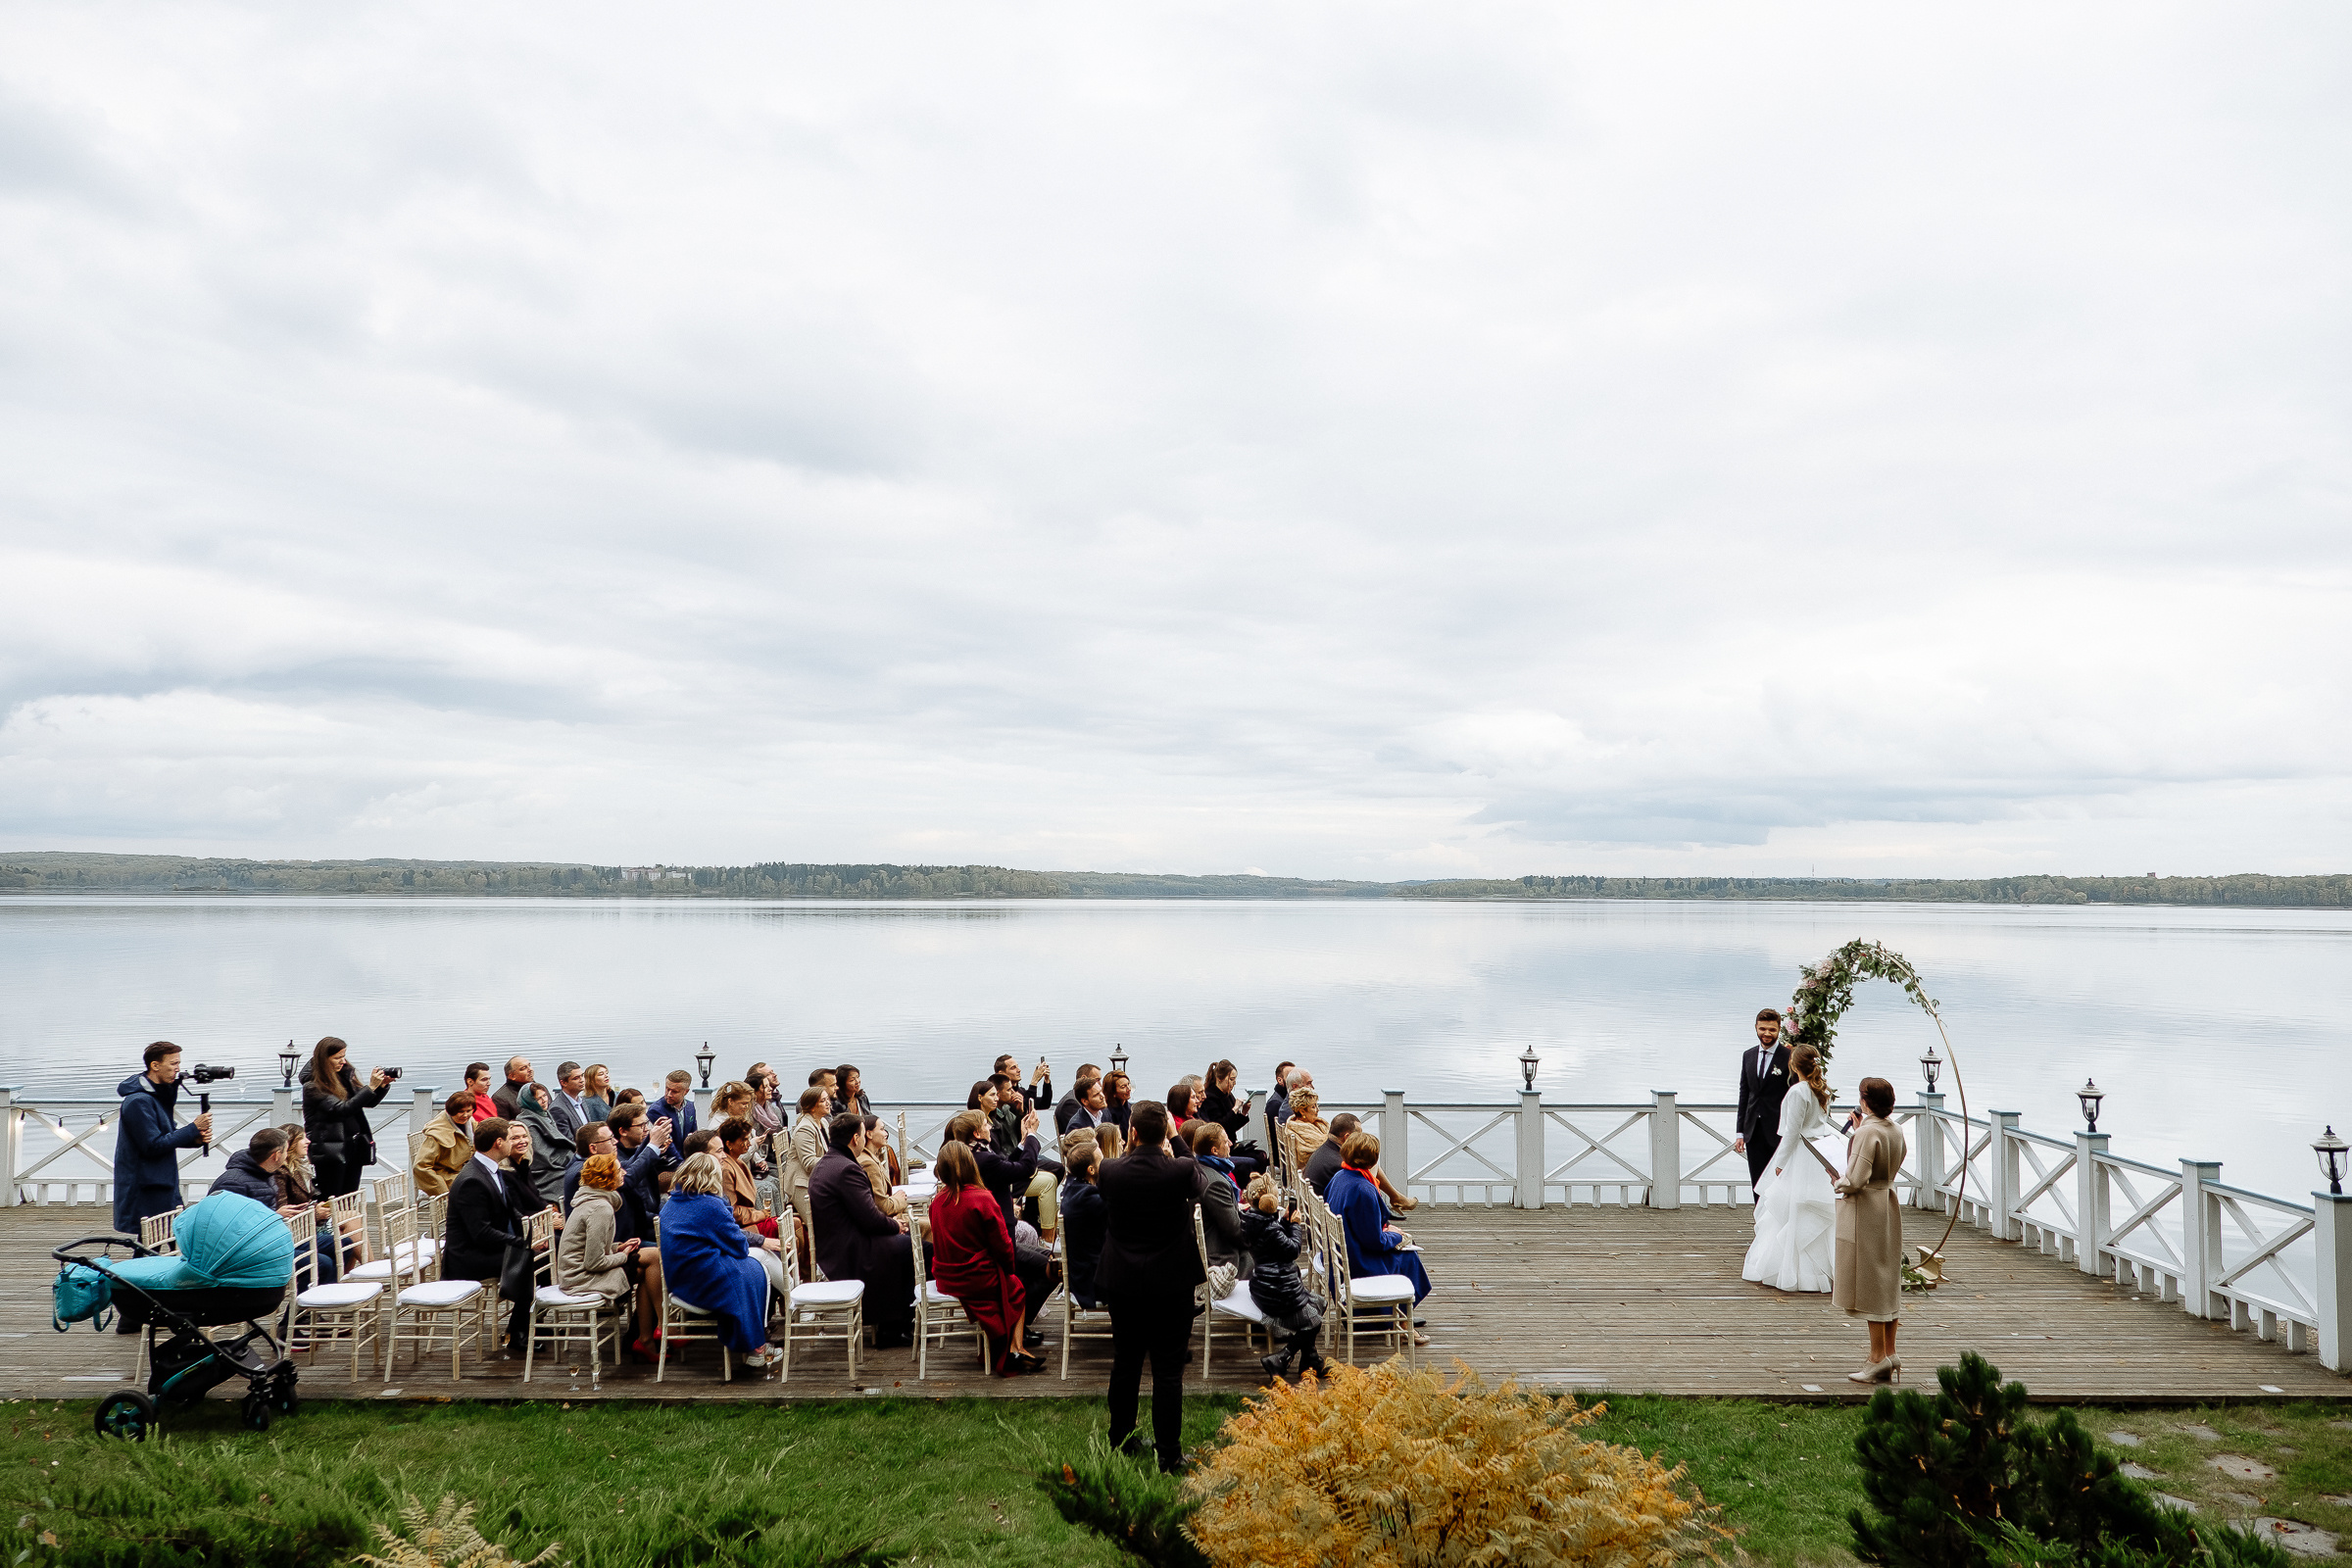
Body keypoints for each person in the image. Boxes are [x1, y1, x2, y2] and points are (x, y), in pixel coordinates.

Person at [1097, 1102, 1207, 1473]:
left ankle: (1121, 1440)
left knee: (1125, 1362)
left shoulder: (1110, 1171)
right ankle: (1169, 1454)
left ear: (1132, 1132)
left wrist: (1134, 1144)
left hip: (1124, 1282)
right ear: (1166, 1134)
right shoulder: (1180, 1169)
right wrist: (1177, 1141)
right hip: (1171, 1282)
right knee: (1168, 1371)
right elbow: (1201, 1182)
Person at [925, 1141, 1044, 1375]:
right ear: (970, 1165)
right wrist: (1008, 1269)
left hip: (946, 1276)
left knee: (1011, 1285)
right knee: (1017, 1289)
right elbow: (1002, 1245)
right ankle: (1013, 1349)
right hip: (976, 1276)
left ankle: (1015, 1349)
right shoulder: (982, 1198)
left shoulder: (937, 1201)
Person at [658, 1152, 783, 1370]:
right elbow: (737, 1245)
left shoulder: (671, 1204)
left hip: (680, 1278)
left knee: (755, 1265)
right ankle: (757, 1345)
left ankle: (764, 1334)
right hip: (704, 1280)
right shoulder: (710, 1206)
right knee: (757, 1269)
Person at [808, 1113, 916, 1347]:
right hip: (850, 1250)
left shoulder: (828, 1163)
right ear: (856, 1138)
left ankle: (899, 1320)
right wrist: (896, 1225)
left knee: (908, 1244)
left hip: (836, 1244)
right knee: (915, 1248)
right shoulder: (848, 1169)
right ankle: (895, 1325)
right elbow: (870, 1219)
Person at [444, 1118, 542, 1357]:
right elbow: (481, 1233)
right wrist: (523, 1244)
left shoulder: (491, 1169)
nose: (514, 1143)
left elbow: (511, 1211)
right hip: (469, 1256)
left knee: (546, 1251)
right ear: (499, 1143)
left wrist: (534, 1232)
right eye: (510, 1139)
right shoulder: (473, 1180)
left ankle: (530, 1322)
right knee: (531, 1260)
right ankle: (519, 1331)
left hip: (487, 1247)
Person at [1744, 1044, 1838, 1295]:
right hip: (1818, 1156)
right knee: (1811, 1210)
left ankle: (1794, 1272)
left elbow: (1792, 1134)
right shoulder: (1821, 1091)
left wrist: (1779, 1164)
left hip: (1801, 1155)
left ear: (1793, 1065)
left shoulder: (1798, 1091)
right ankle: (1819, 1272)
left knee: (1793, 1209)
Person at [1837, 1076, 1908, 1383]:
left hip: (1867, 1208)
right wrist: (1858, 1135)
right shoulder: (1895, 1129)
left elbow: (1854, 1179)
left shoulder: (1867, 1131)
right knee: (1887, 1277)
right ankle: (1890, 1352)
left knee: (1871, 1282)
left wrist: (1837, 1180)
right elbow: (1888, 1159)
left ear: (1866, 1101)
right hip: (1888, 1203)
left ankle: (1877, 1357)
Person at [1326, 1133, 1431, 1342]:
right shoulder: (1363, 1188)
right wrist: (1394, 1236)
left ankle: (1397, 1317)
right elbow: (1374, 1242)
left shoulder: (1340, 1177)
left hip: (1339, 1255)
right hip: (1358, 1262)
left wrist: (1385, 1230)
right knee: (1409, 1257)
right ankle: (1400, 1321)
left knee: (1404, 1248)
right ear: (1373, 1160)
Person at [111, 1041, 212, 1240]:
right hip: (146, 1184)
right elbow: (152, 1145)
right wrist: (193, 1127)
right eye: (173, 1064)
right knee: (152, 1239)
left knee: (160, 1238)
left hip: (159, 1180)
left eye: (179, 1064)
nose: (178, 1069)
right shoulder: (139, 1101)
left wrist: (195, 1139)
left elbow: (166, 1134)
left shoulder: (156, 1095)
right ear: (155, 1065)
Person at [1241, 1179, 1328, 1382]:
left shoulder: (1254, 1219)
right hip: (1276, 1291)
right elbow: (1292, 1250)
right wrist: (1295, 1226)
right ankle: (1281, 1358)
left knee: (1320, 1302)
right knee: (1315, 1320)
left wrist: (1284, 1222)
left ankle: (1310, 1360)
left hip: (1267, 1284)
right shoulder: (1269, 1228)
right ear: (1268, 1200)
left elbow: (1271, 1240)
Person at [301, 1036, 393, 1199]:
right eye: (337, 1057)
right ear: (323, 1059)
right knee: (332, 1198)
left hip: (353, 1147)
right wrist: (370, 1086)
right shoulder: (313, 1086)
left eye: (343, 1056)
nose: (342, 1061)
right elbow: (342, 1109)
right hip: (330, 1151)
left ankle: (346, 1223)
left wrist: (381, 1086)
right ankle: (328, 1225)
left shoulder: (343, 1078)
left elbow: (367, 1102)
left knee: (349, 1198)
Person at [976, 1076, 1060, 1243]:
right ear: (979, 1098)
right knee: (1049, 1179)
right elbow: (1003, 1161)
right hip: (996, 1182)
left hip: (1006, 1166)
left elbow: (1007, 1153)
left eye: (996, 1095)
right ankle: (1047, 1238)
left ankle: (1039, 1226)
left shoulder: (996, 1118)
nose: (996, 1098)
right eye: (992, 1095)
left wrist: (1022, 1120)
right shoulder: (983, 1126)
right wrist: (1030, 1135)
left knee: (1054, 1170)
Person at [556, 1151, 639, 1318]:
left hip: (573, 1275)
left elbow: (587, 1247)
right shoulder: (600, 1208)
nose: (624, 1173)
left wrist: (617, 1247)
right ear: (607, 1177)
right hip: (581, 1280)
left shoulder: (589, 1199)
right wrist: (623, 1255)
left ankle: (644, 1333)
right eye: (619, 1170)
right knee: (647, 1264)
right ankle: (647, 1333)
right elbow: (594, 1262)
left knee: (647, 1259)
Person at [1734, 1008, 1793, 1198]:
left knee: (1780, 1181)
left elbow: (1794, 1096)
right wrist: (1740, 1132)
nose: (1767, 1034)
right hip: (1753, 1129)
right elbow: (1745, 1094)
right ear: (1756, 1028)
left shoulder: (1789, 1057)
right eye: (1762, 1029)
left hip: (1779, 1130)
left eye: (1771, 1029)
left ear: (1778, 1030)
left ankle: (1778, 1223)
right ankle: (1760, 1224)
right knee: (1757, 1181)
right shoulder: (1748, 1055)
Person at [607, 1101, 678, 1246]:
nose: (647, 1129)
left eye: (647, 1124)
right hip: (637, 1230)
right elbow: (631, 1172)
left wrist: (653, 1143)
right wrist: (652, 1145)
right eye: (641, 1126)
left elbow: (637, 1158)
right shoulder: (616, 1160)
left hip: (650, 1217)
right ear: (623, 1131)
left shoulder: (633, 1151)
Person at [1186, 1121, 1250, 1276]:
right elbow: (1235, 1231)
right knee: (1278, 1261)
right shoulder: (1216, 1183)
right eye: (1225, 1141)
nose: (1230, 1143)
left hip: (1211, 1247)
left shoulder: (1200, 1169)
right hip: (1222, 1259)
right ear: (1214, 1150)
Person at [1060, 1143, 1108, 1309]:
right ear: (1091, 1170)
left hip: (1083, 1272)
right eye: (1102, 1160)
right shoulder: (1087, 1197)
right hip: (1092, 1282)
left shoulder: (1073, 1186)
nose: (1106, 1163)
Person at [1198, 1060, 1265, 1178]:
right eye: (1232, 1079)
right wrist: (1234, 1109)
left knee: (1262, 1156)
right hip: (1221, 1148)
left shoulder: (1227, 1094)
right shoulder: (1211, 1098)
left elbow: (1232, 1125)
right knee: (1254, 1161)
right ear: (1220, 1079)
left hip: (1231, 1144)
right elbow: (1219, 1127)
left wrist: (1243, 1113)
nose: (1234, 1083)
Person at [512, 1079, 572, 1208]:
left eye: (544, 1095)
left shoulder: (545, 1115)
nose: (544, 1100)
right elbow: (541, 1154)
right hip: (546, 1172)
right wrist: (567, 1158)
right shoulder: (527, 1122)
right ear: (529, 1102)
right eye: (538, 1099)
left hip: (557, 1163)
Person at [414, 1090, 477, 1198]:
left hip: (466, 1172)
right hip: (446, 1176)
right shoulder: (437, 1134)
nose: (466, 1115)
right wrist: (442, 1192)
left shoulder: (471, 1123)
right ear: (451, 1111)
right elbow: (420, 1167)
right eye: (461, 1111)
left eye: (469, 1111)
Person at [209, 1126, 293, 1207]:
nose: (287, 1155)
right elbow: (224, 1218)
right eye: (286, 1151)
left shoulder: (265, 1174)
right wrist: (275, 1216)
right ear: (277, 1155)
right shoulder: (232, 1183)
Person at [854, 1116, 908, 1217]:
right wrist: (899, 1199)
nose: (886, 1134)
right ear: (869, 1134)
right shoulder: (868, 1164)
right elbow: (883, 1207)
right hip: (882, 1223)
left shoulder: (869, 1158)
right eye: (882, 1129)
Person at [1278, 1087, 1330, 1172]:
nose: (1318, 1110)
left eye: (1317, 1106)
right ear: (1302, 1111)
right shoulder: (1299, 1130)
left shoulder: (1315, 1124)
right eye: (1313, 1107)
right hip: (1312, 1173)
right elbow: (1324, 1150)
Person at [549, 1061, 593, 1148]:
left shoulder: (583, 1101)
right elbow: (567, 1142)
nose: (582, 1080)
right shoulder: (557, 1109)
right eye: (576, 1078)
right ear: (563, 1083)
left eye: (582, 1075)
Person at [647, 1069, 698, 1143]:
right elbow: (667, 1143)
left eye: (674, 1091)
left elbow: (694, 1135)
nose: (669, 1094)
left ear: (686, 1092)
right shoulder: (656, 1110)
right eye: (667, 1089)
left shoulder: (690, 1107)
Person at [1054, 1063, 1102, 1136]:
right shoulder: (1071, 1103)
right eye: (1097, 1080)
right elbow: (1081, 1134)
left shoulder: (1076, 1097)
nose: (1100, 1084)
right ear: (1083, 1078)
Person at [491, 1055, 534, 1120]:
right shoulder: (500, 1098)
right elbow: (503, 1126)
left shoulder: (539, 1088)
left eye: (529, 1065)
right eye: (523, 1068)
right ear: (512, 1076)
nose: (530, 1070)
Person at [1101, 1070, 1134, 1135]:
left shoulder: (1131, 1108)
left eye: (1128, 1084)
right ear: (1113, 1093)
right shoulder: (1107, 1114)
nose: (1128, 1089)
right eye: (1123, 1087)